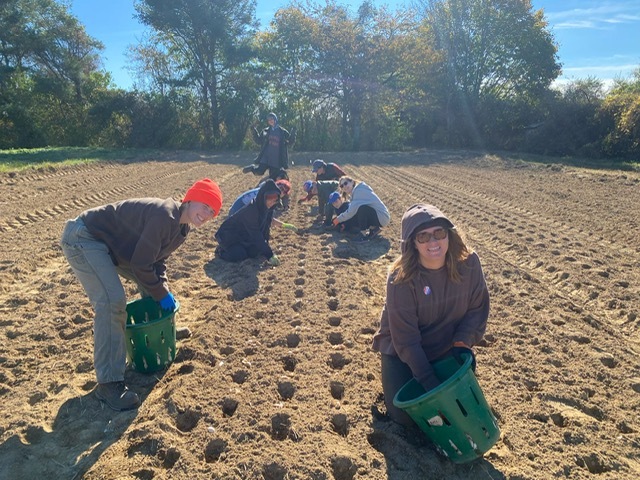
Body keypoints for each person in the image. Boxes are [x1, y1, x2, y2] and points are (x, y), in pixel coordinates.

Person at [60, 179, 223, 411]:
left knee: (153, 283)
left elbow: (157, 262)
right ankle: (108, 384)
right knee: (111, 301)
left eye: (212, 212)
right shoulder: (164, 216)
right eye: (206, 205)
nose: (207, 214)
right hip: (84, 238)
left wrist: (163, 293)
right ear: (191, 198)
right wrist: (161, 294)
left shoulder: (181, 228)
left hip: (110, 247)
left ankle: (163, 329)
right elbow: (140, 264)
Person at [371, 204, 489, 426]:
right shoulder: (401, 280)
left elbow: (477, 309)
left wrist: (462, 343)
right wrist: (431, 384)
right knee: (406, 417)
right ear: (413, 243)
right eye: (423, 237)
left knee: (463, 408)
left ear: (449, 234)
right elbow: (406, 340)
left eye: (439, 233)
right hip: (403, 351)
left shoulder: (469, 264)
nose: (433, 242)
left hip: (447, 345)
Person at [214, 180, 283, 264]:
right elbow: (256, 234)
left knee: (255, 252)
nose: (272, 202)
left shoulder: (269, 208)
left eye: (275, 199)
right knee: (239, 255)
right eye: (269, 198)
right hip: (229, 235)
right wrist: (269, 255)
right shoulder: (251, 210)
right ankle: (220, 250)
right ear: (262, 197)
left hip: (245, 234)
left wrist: (266, 247)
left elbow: (266, 228)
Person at [332, 176, 390, 242]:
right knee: (358, 211)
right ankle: (374, 229)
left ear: (352, 182)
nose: (344, 186)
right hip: (379, 216)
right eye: (342, 186)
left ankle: (363, 235)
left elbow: (350, 212)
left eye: (345, 183)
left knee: (362, 209)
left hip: (382, 217)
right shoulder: (356, 191)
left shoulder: (358, 192)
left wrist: (338, 219)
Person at [242, 113, 296, 180]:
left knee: (273, 177)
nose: (270, 121)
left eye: (271, 119)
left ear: (275, 119)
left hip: (276, 160)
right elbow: (258, 141)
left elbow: (290, 141)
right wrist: (254, 130)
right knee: (259, 172)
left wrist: (293, 131)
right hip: (266, 157)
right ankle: (252, 168)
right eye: (268, 120)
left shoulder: (282, 132)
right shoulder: (265, 131)